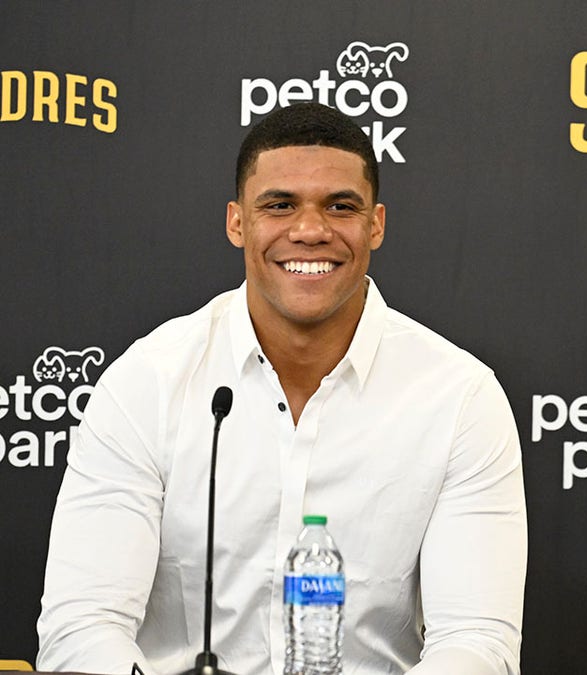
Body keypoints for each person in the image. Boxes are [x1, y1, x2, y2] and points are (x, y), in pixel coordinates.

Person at [37, 103, 526, 675]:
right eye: (279, 205)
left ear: (377, 224)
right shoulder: (147, 382)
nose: (311, 230)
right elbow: (82, 626)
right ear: (237, 222)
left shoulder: (460, 397)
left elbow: (477, 642)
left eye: (340, 206)